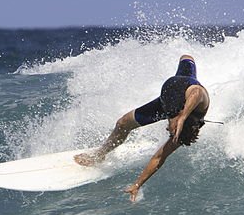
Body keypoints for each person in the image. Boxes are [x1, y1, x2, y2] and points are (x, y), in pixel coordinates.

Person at [75, 54, 209, 202]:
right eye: (171, 131)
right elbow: (196, 92)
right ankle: (102, 153)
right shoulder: (200, 106)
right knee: (186, 56)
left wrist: (137, 184)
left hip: (163, 104)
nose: (168, 131)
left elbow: (159, 158)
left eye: (171, 134)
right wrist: (183, 116)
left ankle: (99, 155)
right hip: (185, 81)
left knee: (123, 123)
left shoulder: (178, 135)